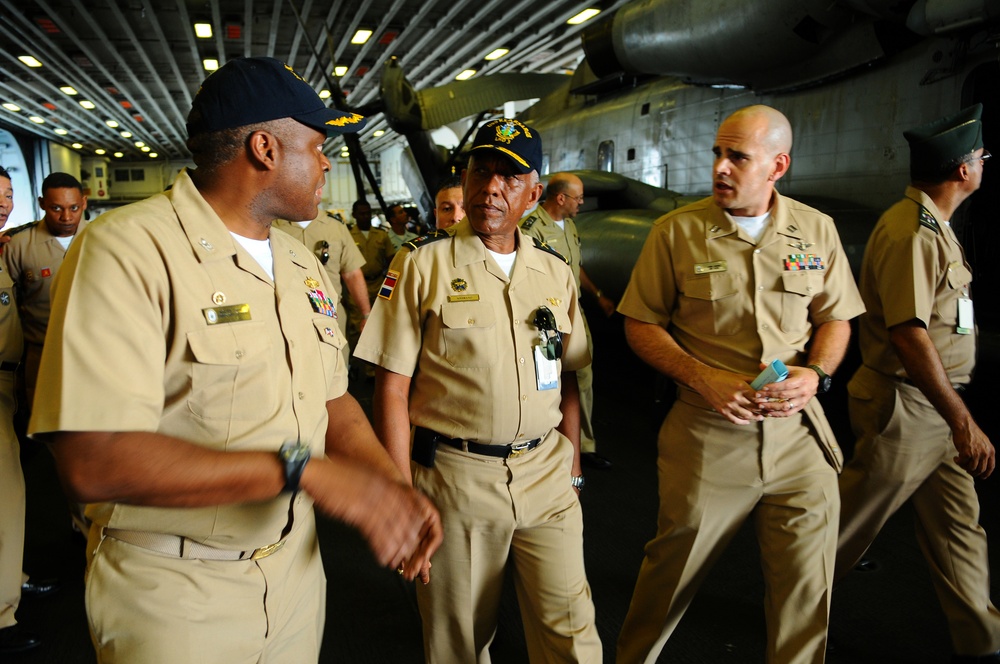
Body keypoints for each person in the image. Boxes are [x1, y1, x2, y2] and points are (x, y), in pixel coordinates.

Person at [28, 56, 441, 663]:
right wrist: (304, 472)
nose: (327, 163)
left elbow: (333, 401)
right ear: (266, 148)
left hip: (296, 575)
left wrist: (392, 488)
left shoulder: (300, 264)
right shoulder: (129, 249)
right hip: (177, 591)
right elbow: (93, 459)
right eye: (318, 145)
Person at [616, 105, 864, 664]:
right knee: (671, 575)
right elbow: (640, 323)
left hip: (799, 436)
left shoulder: (815, 230)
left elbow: (836, 318)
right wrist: (702, 376)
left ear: (778, 166)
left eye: (738, 157)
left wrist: (817, 373)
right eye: (717, 154)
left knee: (807, 591)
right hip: (708, 435)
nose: (721, 168)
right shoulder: (676, 232)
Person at [355, 118, 603, 663]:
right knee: (459, 640)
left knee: (572, 635)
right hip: (457, 480)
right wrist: (401, 494)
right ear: (465, 181)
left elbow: (565, 376)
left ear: (533, 195)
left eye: (510, 177)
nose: (492, 186)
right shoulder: (422, 265)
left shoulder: (554, 273)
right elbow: (391, 389)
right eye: (481, 171)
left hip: (547, 473)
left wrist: (573, 459)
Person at [835, 104, 1000, 663]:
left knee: (959, 531)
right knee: (848, 526)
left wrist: (957, 418)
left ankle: (982, 643)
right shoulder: (911, 233)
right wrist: (962, 421)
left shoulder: (935, 228)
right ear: (962, 170)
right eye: (981, 157)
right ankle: (791, 607)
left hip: (937, 407)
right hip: (904, 407)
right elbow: (909, 334)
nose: (984, 164)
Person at [521, 172, 615, 470]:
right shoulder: (531, 229)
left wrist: (598, 293)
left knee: (582, 376)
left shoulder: (570, 226)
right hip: (543, 320)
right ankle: (541, 440)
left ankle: (583, 446)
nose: (582, 203)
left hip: (574, 314)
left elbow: (577, 266)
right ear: (560, 198)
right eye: (578, 197)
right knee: (545, 380)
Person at [2, 172, 87, 407]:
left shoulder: (103, 238)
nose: (67, 217)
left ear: (84, 203)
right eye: (56, 208)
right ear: (41, 204)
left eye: (74, 208)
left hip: (92, 354)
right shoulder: (16, 245)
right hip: (40, 356)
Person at [0, 165, 40, 655]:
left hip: (10, 379)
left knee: (11, 497)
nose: (4, 202)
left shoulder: (7, 250)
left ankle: (13, 576)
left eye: (8, 194)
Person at [273, 209, 370, 359]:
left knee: (336, 368)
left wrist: (366, 314)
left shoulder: (335, 227)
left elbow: (352, 273)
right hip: (287, 315)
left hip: (331, 314)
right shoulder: (273, 226)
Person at [344, 200, 396, 351]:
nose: (366, 216)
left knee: (381, 324)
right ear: (354, 215)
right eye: (362, 213)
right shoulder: (348, 236)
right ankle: (359, 366)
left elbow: (391, 260)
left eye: (368, 213)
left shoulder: (381, 235)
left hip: (379, 284)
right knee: (357, 325)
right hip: (357, 287)